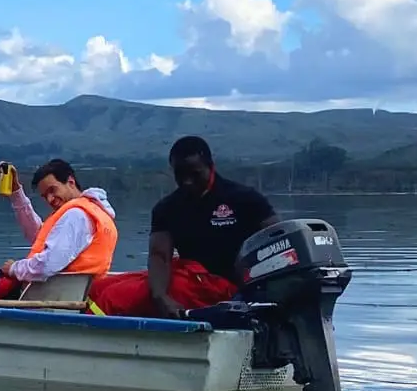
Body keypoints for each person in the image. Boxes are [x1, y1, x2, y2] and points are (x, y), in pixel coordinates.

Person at [92, 136, 278, 318]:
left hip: (227, 286)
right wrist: (160, 296)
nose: (187, 181)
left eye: (195, 173)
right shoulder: (168, 208)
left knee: (112, 298)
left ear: (210, 167)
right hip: (189, 276)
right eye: (180, 174)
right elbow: (160, 256)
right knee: (97, 289)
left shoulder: (244, 199)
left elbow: (278, 237)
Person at [0, 158, 117, 300]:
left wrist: (14, 268)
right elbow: (39, 236)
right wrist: (16, 193)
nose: (50, 199)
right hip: (77, 295)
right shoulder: (93, 211)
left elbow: (47, 264)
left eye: (53, 190)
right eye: (45, 196)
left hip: (59, 299)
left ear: (70, 182)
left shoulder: (76, 216)